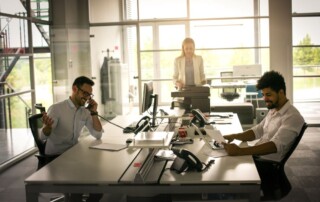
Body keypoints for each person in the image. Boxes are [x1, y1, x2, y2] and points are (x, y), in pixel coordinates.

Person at [222, 70, 304, 197]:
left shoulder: (292, 117)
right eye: (263, 94)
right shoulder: (274, 109)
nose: (265, 99)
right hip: (258, 157)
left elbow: (274, 146)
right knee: (225, 162)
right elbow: (258, 130)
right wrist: (234, 136)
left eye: (268, 95)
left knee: (228, 170)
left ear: (281, 92)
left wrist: (240, 151)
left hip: (266, 166)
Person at [41, 76, 103, 202]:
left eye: (89, 95)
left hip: (73, 155)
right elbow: (43, 136)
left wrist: (94, 113)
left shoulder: (84, 111)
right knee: (78, 186)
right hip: (56, 157)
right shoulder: (57, 108)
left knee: (100, 183)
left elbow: (98, 134)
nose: (87, 98)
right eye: (85, 93)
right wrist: (47, 127)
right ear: (75, 89)